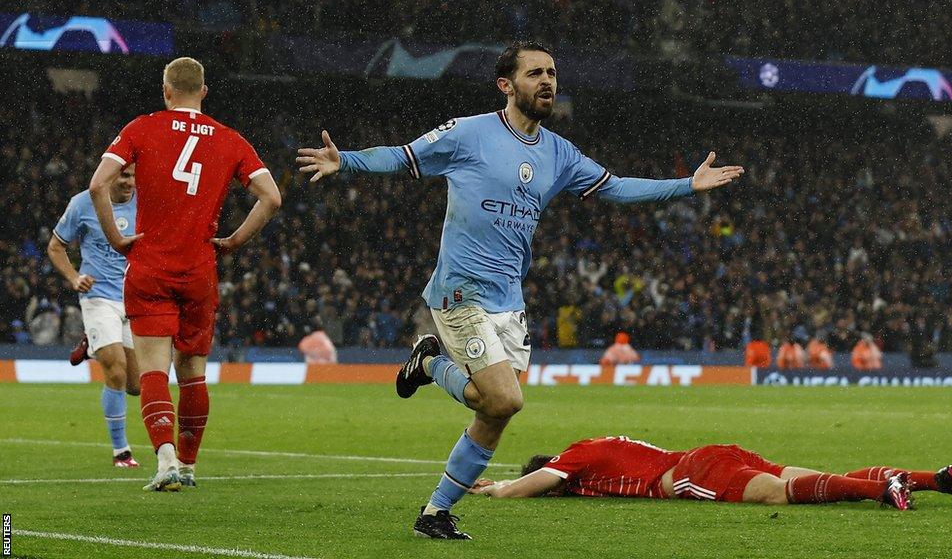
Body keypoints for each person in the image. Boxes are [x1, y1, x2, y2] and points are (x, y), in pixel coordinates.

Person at [296, 41, 743, 539]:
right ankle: (428, 363)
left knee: (493, 414)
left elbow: (616, 188)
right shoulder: (470, 134)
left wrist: (687, 185)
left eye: (552, 72)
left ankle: (434, 513)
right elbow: (405, 156)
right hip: (460, 289)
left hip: (509, 300)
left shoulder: (559, 153)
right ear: (507, 85)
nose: (547, 81)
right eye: (535, 73)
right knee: (505, 399)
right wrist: (348, 162)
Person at [89, 57, 282, 492]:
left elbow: (98, 185)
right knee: (193, 369)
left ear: (166, 90)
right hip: (198, 269)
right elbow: (271, 197)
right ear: (205, 92)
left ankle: (165, 458)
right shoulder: (230, 140)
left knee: (154, 369)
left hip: (151, 266)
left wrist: (118, 240)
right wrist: (234, 240)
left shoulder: (142, 128)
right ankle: (190, 465)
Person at [470, 436, 952, 509]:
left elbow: (546, 480)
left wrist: (501, 489)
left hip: (690, 472)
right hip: (713, 453)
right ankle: (936, 477)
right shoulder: (609, 444)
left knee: (778, 496)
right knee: (813, 476)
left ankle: (882, 490)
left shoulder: (577, 455)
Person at [49, 163, 141, 467]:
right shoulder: (83, 203)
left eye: (133, 176)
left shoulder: (146, 201)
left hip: (135, 299)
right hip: (98, 296)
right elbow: (55, 247)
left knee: (136, 386)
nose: (129, 182)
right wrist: (75, 277)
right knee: (114, 370)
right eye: (124, 175)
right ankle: (121, 452)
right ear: (109, 175)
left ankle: (91, 345)